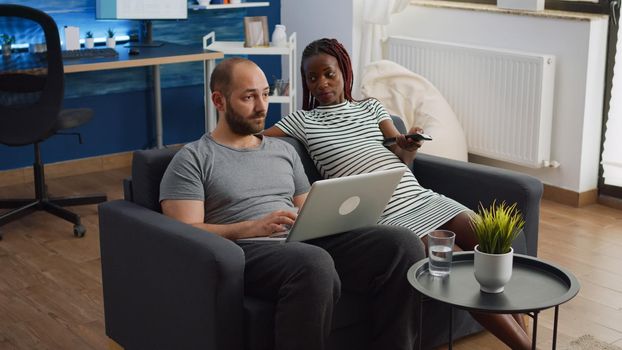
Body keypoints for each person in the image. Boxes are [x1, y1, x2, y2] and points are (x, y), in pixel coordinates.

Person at [263, 38, 532, 350]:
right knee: (457, 267)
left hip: (420, 196)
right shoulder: (302, 121)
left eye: (328, 74)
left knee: (495, 242)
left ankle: (526, 337)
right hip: (385, 215)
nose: (321, 83)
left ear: (344, 72)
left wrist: (408, 146)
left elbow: (399, 152)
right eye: (312, 78)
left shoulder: (371, 107)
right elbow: (256, 140)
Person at [159, 57, 425, 350]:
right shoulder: (193, 158)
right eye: (249, 97)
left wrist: (345, 216)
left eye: (264, 94)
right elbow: (182, 234)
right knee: (314, 263)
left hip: (300, 243)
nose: (262, 106)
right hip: (246, 250)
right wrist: (249, 228)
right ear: (219, 101)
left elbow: (309, 207)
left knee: (402, 244)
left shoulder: (282, 150)